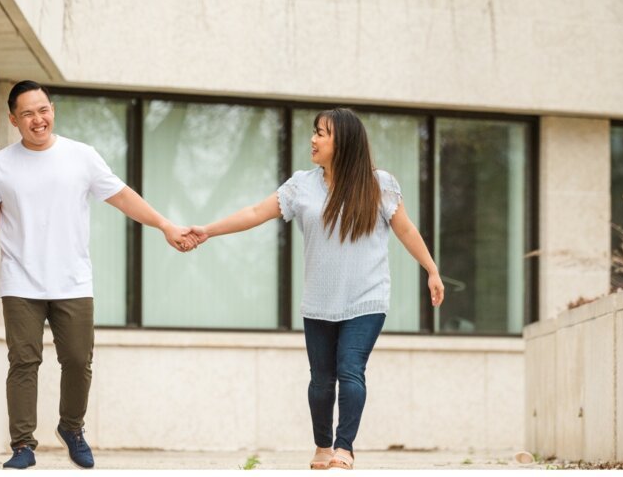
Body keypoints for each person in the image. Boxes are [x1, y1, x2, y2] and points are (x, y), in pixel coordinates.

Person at [186, 108, 445, 470]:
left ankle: (344, 449)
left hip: (366, 299)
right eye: (314, 131)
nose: (313, 139)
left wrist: (431, 269)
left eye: (322, 133)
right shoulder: (301, 186)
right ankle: (323, 447)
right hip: (319, 302)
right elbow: (255, 212)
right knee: (321, 381)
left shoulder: (379, 184)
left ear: (344, 142)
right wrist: (208, 231)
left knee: (350, 370)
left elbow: (405, 230)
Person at [0, 80, 195, 470]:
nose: (37, 119)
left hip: (73, 280)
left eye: (42, 110)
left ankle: (71, 428)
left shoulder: (82, 157)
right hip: (20, 281)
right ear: (13, 119)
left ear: (52, 110)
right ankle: (23, 444)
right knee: (23, 362)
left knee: (78, 359)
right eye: (27, 113)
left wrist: (164, 224)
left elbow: (123, 196)